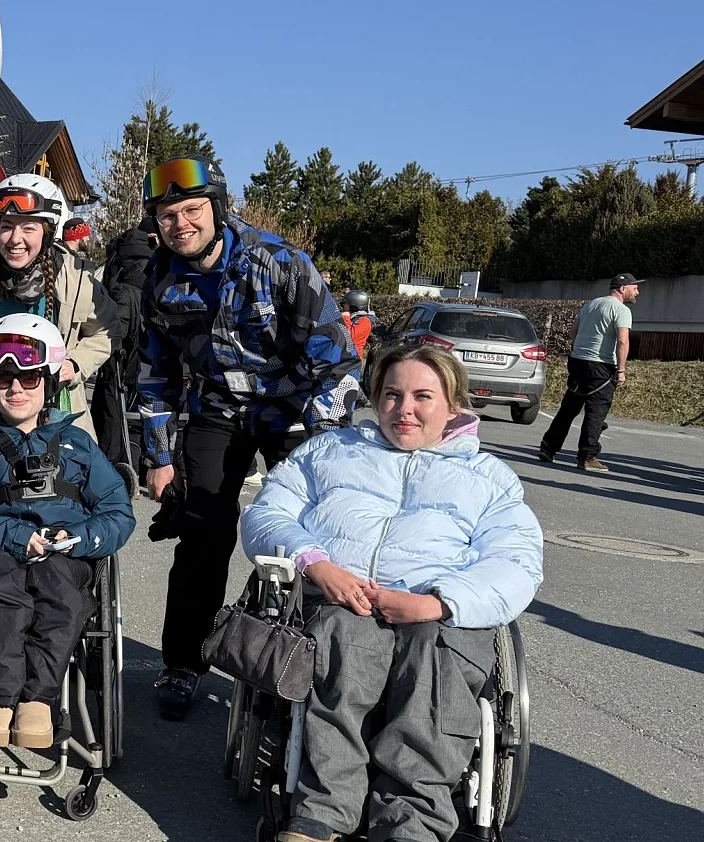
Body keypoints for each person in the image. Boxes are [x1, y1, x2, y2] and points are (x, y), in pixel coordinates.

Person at [240, 344, 543, 842]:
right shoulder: (329, 451)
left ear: (453, 404)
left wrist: (440, 603)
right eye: (391, 395)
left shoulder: (489, 480)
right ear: (374, 399)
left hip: (436, 608)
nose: (404, 409)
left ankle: (412, 822)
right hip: (341, 595)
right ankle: (322, 813)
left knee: (435, 654)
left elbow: (517, 563)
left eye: (423, 396)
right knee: (345, 643)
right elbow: (267, 512)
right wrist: (316, 565)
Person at [136, 156, 360, 721]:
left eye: (191, 210)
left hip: (296, 408)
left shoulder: (280, 262)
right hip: (217, 409)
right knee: (202, 533)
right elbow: (153, 372)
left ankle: (310, 663)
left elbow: (339, 361)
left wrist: (324, 448)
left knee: (310, 535)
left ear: (216, 207)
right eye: (167, 214)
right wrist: (160, 457)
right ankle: (183, 663)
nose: (180, 223)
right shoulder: (159, 277)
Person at [0, 315, 134, 749]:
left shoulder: (79, 444)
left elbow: (118, 511)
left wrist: (79, 538)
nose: (16, 389)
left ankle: (38, 701)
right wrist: (8, 533)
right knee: (2, 586)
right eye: (3, 379)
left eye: (27, 378)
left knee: (61, 589)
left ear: (48, 383)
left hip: (62, 553)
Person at [0, 174, 117, 464]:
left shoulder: (78, 280)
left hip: (57, 420)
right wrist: (1, 365)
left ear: (47, 232)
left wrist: (75, 365)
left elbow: (107, 332)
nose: (15, 240)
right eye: (6, 227)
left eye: (28, 228)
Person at [539, 272, 642, 472]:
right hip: (601, 366)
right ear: (622, 289)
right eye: (634, 287)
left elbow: (572, 332)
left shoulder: (592, 304)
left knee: (568, 408)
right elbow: (622, 341)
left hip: (578, 362)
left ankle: (548, 448)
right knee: (596, 412)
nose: (637, 291)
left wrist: (580, 349)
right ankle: (587, 457)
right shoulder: (621, 310)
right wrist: (621, 370)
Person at [91, 217, 159, 490]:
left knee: (111, 415)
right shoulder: (157, 273)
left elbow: (115, 326)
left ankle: (112, 468)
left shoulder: (121, 278)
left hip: (122, 364)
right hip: (149, 361)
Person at [340, 289, 376, 360]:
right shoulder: (354, 317)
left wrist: (345, 318)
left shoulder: (365, 321)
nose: (344, 307)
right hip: (345, 356)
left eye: (346, 305)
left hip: (352, 359)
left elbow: (349, 336)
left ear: (355, 305)